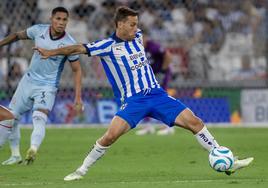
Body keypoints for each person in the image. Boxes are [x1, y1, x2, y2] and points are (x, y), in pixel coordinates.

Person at [34, 6, 253, 181]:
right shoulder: (107, 46)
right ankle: (81, 170)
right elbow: (77, 48)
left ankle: (228, 159)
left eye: (136, 24)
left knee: (194, 122)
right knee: (110, 136)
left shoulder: (138, 36)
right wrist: (51, 52)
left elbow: (153, 48)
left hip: (157, 95)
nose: (136, 28)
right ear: (120, 25)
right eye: (132, 24)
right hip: (133, 101)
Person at [0, 7, 83, 165]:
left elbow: (77, 70)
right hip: (28, 81)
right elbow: (18, 35)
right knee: (12, 118)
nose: (61, 23)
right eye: (58, 19)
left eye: (64, 20)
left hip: (47, 86)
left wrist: (78, 97)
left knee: (39, 118)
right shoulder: (38, 30)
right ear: (51, 19)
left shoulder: (69, 44)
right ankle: (15, 155)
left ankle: (33, 149)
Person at [135, 30, 175, 136]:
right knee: (145, 98)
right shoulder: (136, 49)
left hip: (162, 73)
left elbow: (168, 56)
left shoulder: (153, 46)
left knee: (161, 99)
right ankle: (148, 126)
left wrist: (162, 71)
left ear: (146, 37)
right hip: (151, 75)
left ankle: (168, 126)